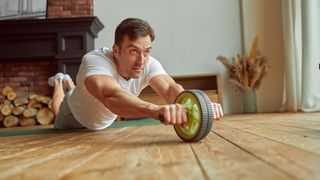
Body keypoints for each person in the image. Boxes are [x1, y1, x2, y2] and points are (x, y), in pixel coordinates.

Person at [49, 18, 223, 130]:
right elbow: (111, 96)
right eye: (134, 51)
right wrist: (155, 110)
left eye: (147, 51)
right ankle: (59, 81)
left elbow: (170, 88)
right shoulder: (95, 60)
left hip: (96, 116)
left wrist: (200, 105)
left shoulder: (148, 62)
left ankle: (69, 83)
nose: (142, 60)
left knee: (77, 89)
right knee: (58, 109)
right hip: (72, 116)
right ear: (116, 50)